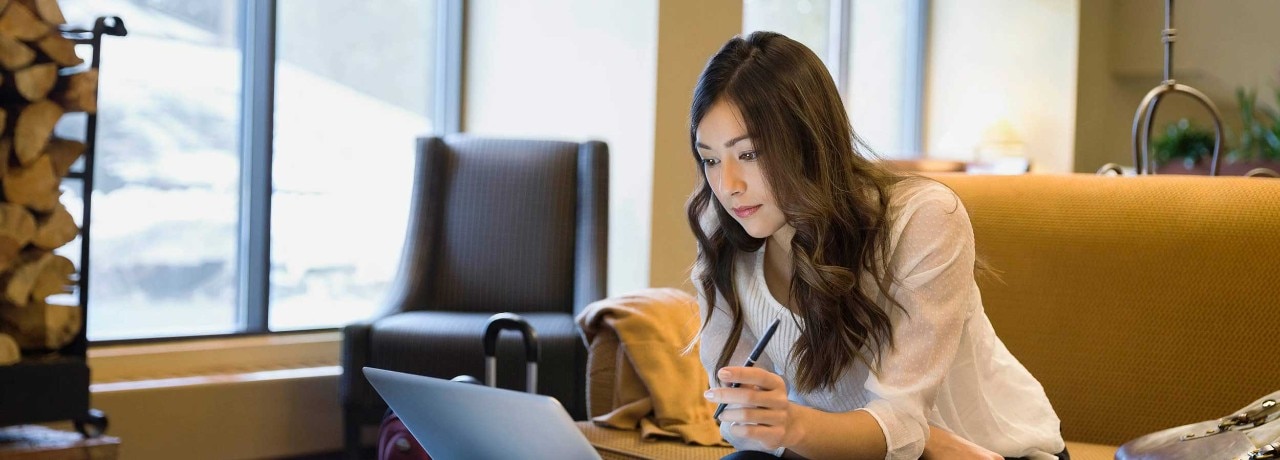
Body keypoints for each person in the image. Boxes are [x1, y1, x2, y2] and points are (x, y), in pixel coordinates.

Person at [688, 31, 1067, 460]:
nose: (728, 186)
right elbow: (735, 419)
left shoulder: (922, 220)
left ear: (809, 142)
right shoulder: (724, 235)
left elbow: (901, 425)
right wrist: (769, 419)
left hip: (989, 453)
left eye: (751, 154)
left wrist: (794, 423)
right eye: (712, 159)